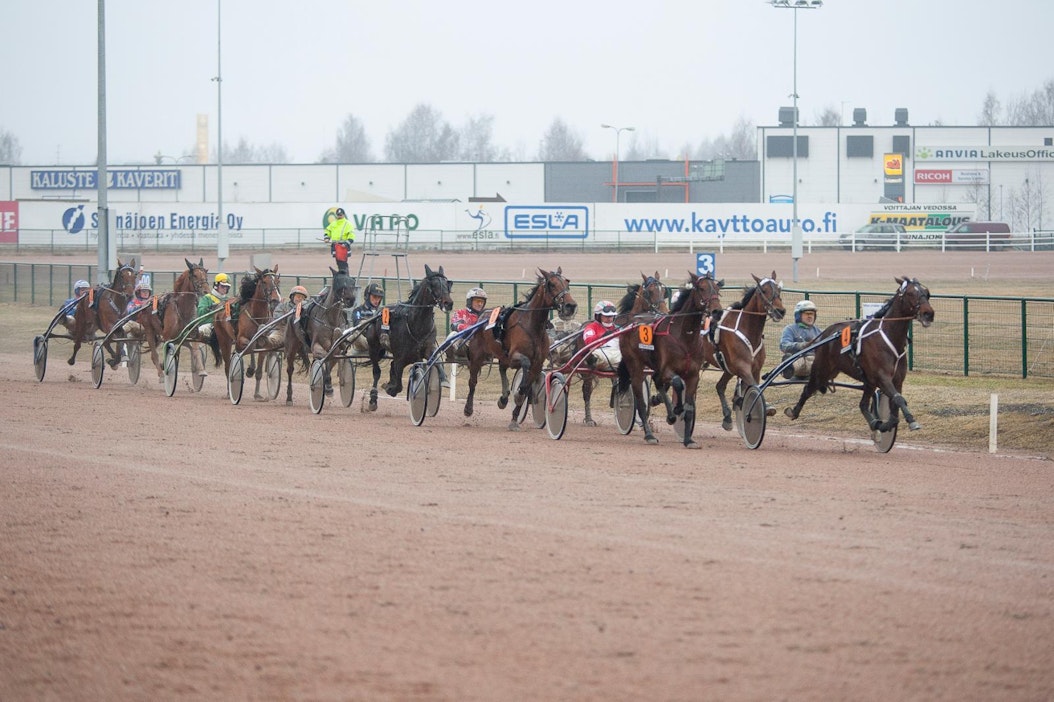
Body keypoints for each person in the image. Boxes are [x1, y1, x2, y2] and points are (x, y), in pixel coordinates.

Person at [192, 272, 233, 377]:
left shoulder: (228, 300)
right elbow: (200, 312)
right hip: (208, 325)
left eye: (226, 287)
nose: (225, 289)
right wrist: (210, 307)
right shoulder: (207, 298)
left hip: (224, 327)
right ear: (216, 285)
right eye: (222, 286)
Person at [780, 299, 822, 378]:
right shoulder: (790, 329)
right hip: (799, 360)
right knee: (793, 360)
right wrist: (801, 346)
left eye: (812, 314)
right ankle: (788, 368)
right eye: (807, 314)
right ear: (798, 315)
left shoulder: (818, 331)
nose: (810, 316)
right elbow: (784, 346)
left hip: (815, 362)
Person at [581, 300, 622, 371]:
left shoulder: (617, 328)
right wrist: (603, 336)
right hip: (600, 352)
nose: (609, 319)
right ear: (598, 316)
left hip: (616, 352)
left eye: (611, 316)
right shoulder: (591, 327)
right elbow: (589, 342)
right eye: (606, 316)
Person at [348, 283, 384, 354]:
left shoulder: (382, 312)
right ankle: (343, 342)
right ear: (367, 296)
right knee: (355, 332)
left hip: (379, 342)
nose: (377, 300)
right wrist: (373, 323)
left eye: (379, 297)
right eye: (374, 297)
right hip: (363, 341)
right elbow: (357, 324)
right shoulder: (358, 310)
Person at [324, 207, 355, 275]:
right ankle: (343, 276)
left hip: (343, 247)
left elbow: (351, 236)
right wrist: (327, 238)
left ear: (344, 215)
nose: (339, 216)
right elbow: (328, 230)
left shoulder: (348, 224)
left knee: (342, 263)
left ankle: (345, 277)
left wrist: (346, 244)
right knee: (339, 262)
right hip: (335, 246)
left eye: (340, 215)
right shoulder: (333, 223)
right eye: (338, 215)